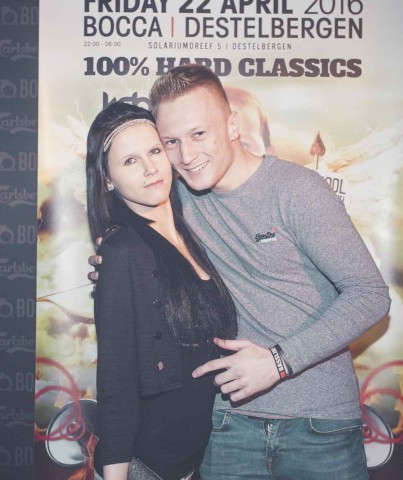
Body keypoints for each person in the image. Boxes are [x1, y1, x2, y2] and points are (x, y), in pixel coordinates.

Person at [88, 65, 391, 479]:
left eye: (199, 134)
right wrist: (115, 269)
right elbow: (141, 247)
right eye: (171, 142)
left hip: (318, 423)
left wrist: (279, 361)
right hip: (226, 424)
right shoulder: (176, 196)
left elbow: (370, 294)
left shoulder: (297, 190)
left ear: (232, 126)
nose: (187, 156)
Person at [86, 101, 237, 480]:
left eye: (154, 151)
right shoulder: (122, 252)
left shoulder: (194, 231)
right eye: (130, 161)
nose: (150, 168)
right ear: (107, 179)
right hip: (145, 467)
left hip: (192, 465)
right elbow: (116, 384)